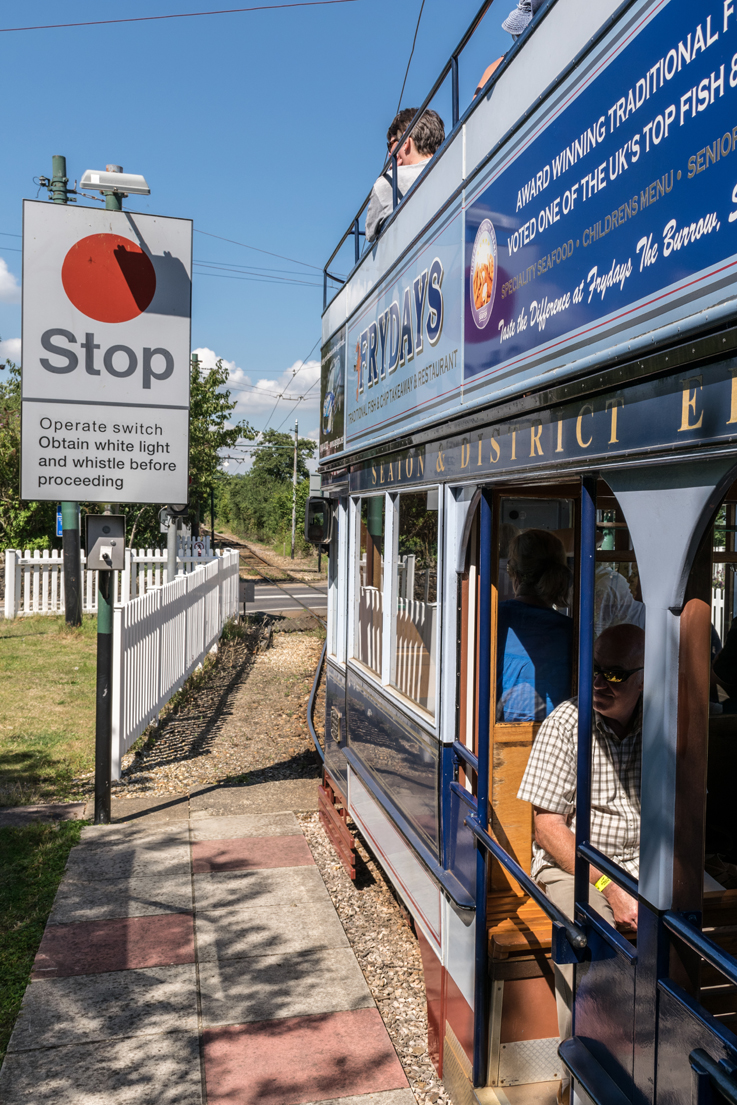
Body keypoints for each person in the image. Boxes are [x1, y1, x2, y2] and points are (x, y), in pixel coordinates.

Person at [517, 623, 645, 1105]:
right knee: (587, 937)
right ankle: (581, 1079)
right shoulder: (568, 723)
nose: (598, 683)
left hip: (643, 861)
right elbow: (548, 829)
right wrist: (612, 886)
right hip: (572, 864)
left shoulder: (659, 723)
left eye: (613, 674)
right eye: (594, 670)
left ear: (642, 679)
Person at [497, 529, 573, 722]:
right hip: (558, 737)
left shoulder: (492, 619)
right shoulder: (571, 630)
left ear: (515, 575)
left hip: (497, 734)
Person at [365, 108, 445, 242]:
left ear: (406, 142)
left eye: (391, 144)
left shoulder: (388, 183)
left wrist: (393, 173)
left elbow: (370, 233)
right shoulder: (457, 161)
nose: (390, 154)